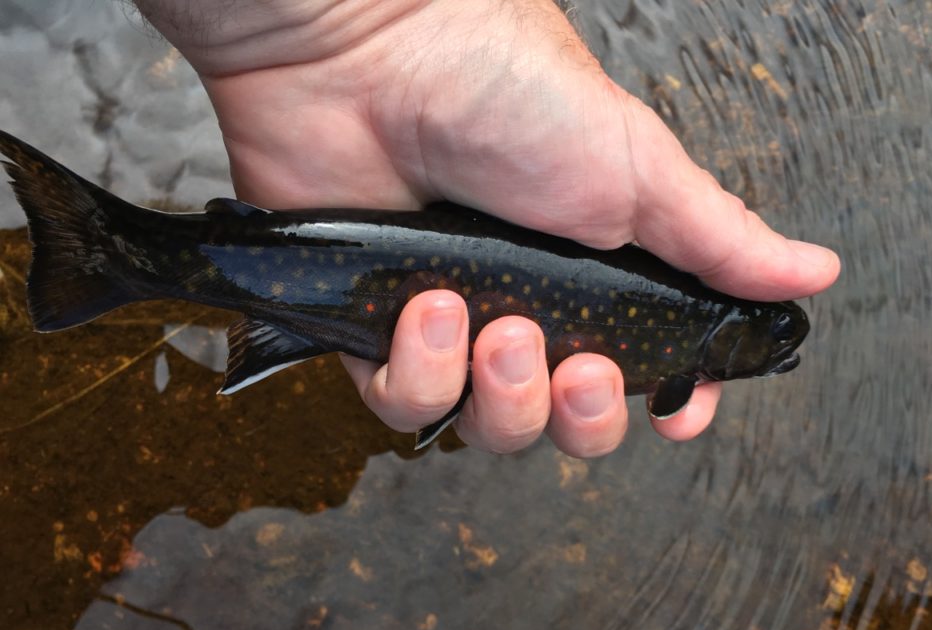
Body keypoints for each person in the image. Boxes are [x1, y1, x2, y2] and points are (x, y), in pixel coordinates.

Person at [133, 0, 839, 457]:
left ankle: (134, 261)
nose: (782, 333)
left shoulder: (685, 333)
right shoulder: (678, 370)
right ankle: (131, 264)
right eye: (771, 332)